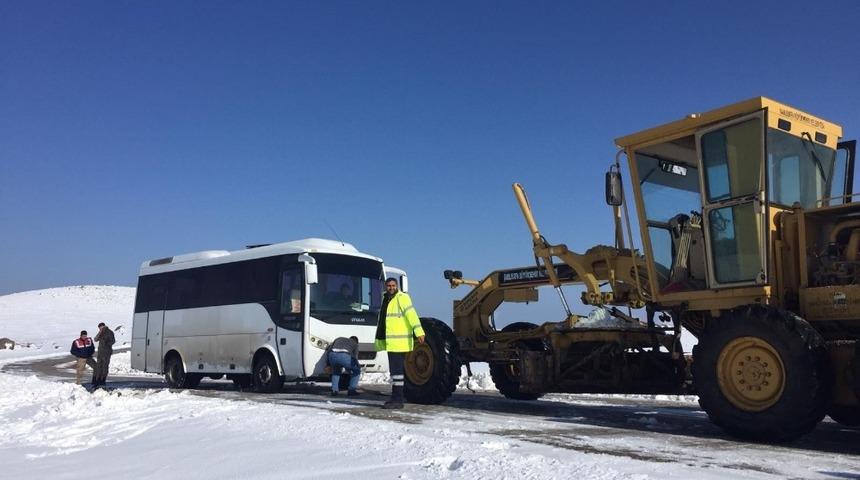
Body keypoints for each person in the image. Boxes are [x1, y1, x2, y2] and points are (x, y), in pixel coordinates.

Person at [375, 278, 425, 409]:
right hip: (392, 342)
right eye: (389, 286)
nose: (391, 287)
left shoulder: (402, 298)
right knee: (395, 372)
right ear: (386, 287)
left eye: (393, 285)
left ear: (397, 286)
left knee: (397, 372)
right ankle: (396, 398)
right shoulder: (386, 299)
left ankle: (397, 400)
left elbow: (411, 314)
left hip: (399, 342)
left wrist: (419, 331)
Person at [91, 322, 115, 387]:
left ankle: (103, 380)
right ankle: (97, 380)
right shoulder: (101, 333)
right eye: (99, 328)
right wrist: (100, 332)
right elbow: (95, 339)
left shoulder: (110, 332)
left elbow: (113, 341)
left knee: (105, 366)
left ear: (104, 326)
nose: (100, 329)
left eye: (101, 327)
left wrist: (107, 344)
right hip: (100, 352)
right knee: (99, 366)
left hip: (106, 352)